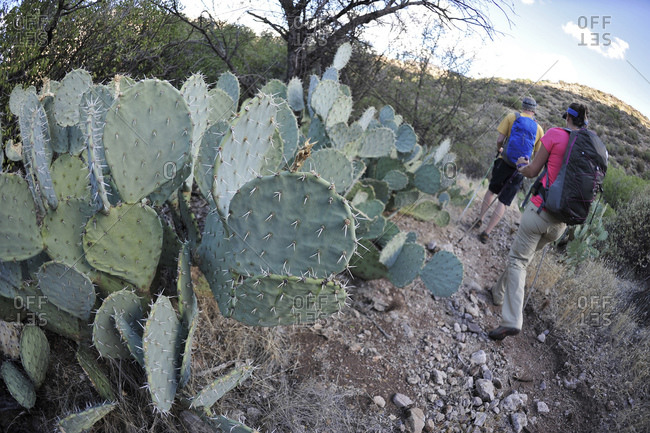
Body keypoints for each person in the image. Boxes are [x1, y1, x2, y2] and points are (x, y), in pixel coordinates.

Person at [487, 102, 589, 340]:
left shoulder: (555, 134)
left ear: (568, 118)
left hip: (540, 210)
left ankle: (512, 320)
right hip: (560, 224)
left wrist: (522, 166)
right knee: (522, 258)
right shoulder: (588, 147)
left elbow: (533, 171)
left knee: (518, 261)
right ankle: (497, 293)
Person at [475, 97, 544, 244]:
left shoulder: (512, 117)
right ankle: (487, 233)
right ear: (534, 110)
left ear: (523, 106)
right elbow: (537, 155)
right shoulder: (539, 129)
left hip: (504, 161)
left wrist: (499, 150)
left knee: (491, 190)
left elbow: (500, 139)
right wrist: (528, 168)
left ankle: (479, 219)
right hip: (520, 170)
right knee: (503, 201)